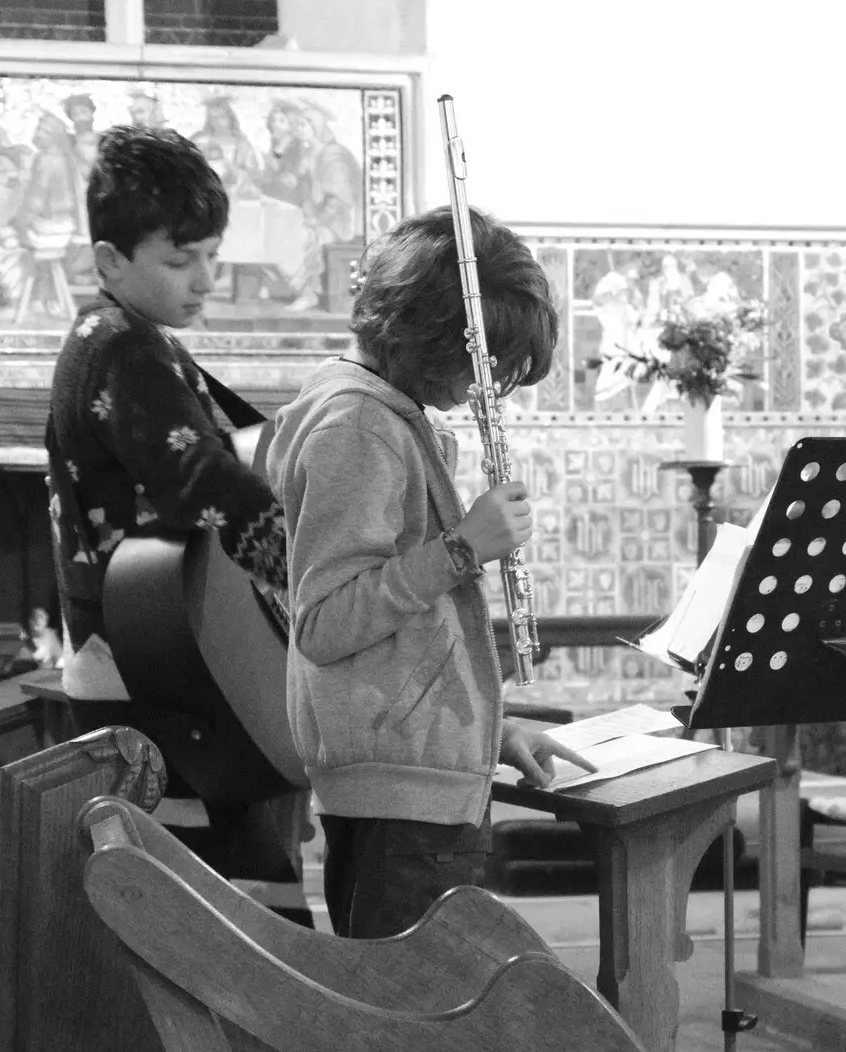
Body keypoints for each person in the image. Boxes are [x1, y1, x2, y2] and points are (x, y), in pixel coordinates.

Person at [265, 206, 592, 939]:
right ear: (430, 334)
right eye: (481, 361)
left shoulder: (380, 412)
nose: (486, 387)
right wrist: (463, 546)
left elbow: (408, 638)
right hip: (399, 805)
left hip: (409, 785)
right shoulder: (359, 425)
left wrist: (491, 730)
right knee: (406, 1017)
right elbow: (324, 623)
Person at [44, 125, 308, 925]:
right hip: (149, 669)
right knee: (233, 918)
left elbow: (225, 451)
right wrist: (317, 570)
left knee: (231, 894)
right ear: (109, 260)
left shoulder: (131, 339)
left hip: (154, 660)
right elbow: (203, 481)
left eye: (210, 257)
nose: (202, 279)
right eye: (178, 260)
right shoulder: (121, 347)